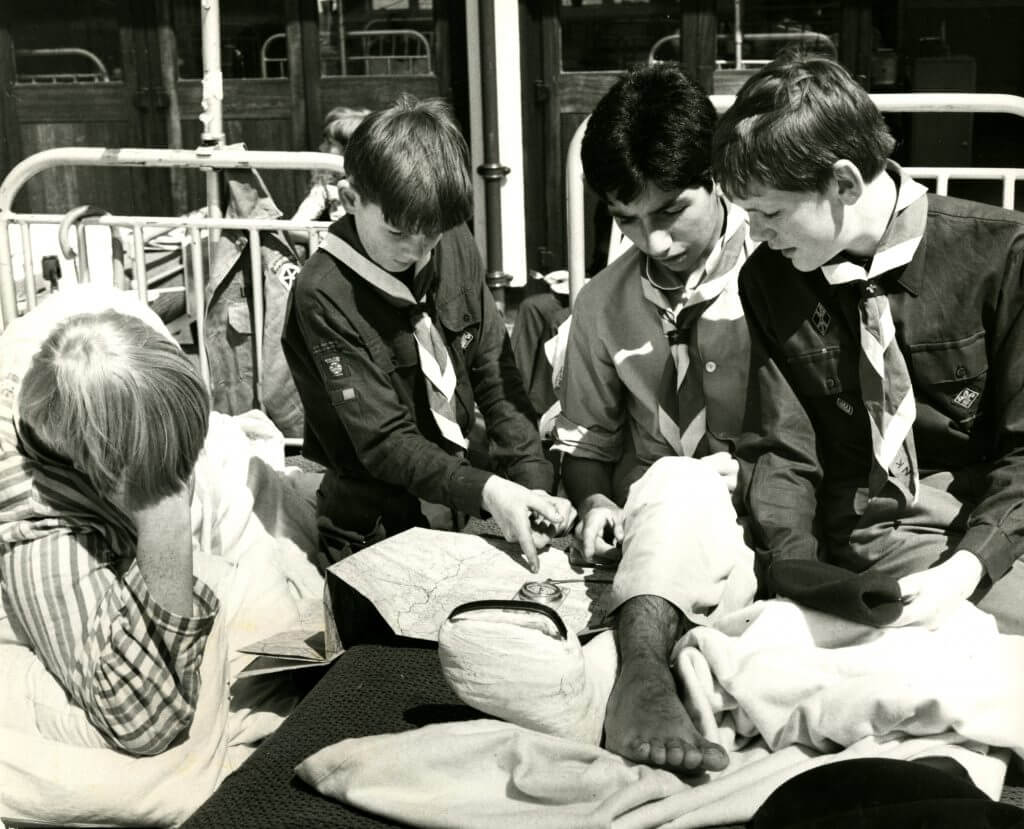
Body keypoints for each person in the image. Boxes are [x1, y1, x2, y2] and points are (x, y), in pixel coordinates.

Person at [551, 63, 813, 773]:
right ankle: (651, 671)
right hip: (657, 525)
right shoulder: (600, 305)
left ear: (721, 178)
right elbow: (585, 442)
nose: (654, 242)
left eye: (670, 211)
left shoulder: (787, 266)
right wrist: (595, 498)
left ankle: (643, 668)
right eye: (625, 219)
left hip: (770, 518)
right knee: (673, 481)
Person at [712, 53, 1024, 636]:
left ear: (845, 182)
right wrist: (795, 574)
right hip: (870, 532)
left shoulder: (1003, 257)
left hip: (992, 523)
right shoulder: (770, 280)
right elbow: (784, 448)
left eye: (769, 212)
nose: (755, 233)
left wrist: (967, 567)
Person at [0, 285, 324, 764]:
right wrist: (162, 515)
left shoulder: (95, 319)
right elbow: (143, 720)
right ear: (109, 477)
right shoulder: (39, 529)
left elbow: (197, 454)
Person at [282, 94, 575, 572]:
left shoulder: (451, 240)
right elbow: (384, 440)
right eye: (398, 233)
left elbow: (496, 376)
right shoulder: (324, 292)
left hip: (465, 507)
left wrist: (532, 480)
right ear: (351, 199)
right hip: (376, 525)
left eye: (432, 233)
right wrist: (490, 490)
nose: (417, 250)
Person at [292, 105, 369, 227]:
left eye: (330, 143)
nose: (321, 147)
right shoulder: (326, 188)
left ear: (349, 150)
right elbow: (295, 228)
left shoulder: (376, 189)